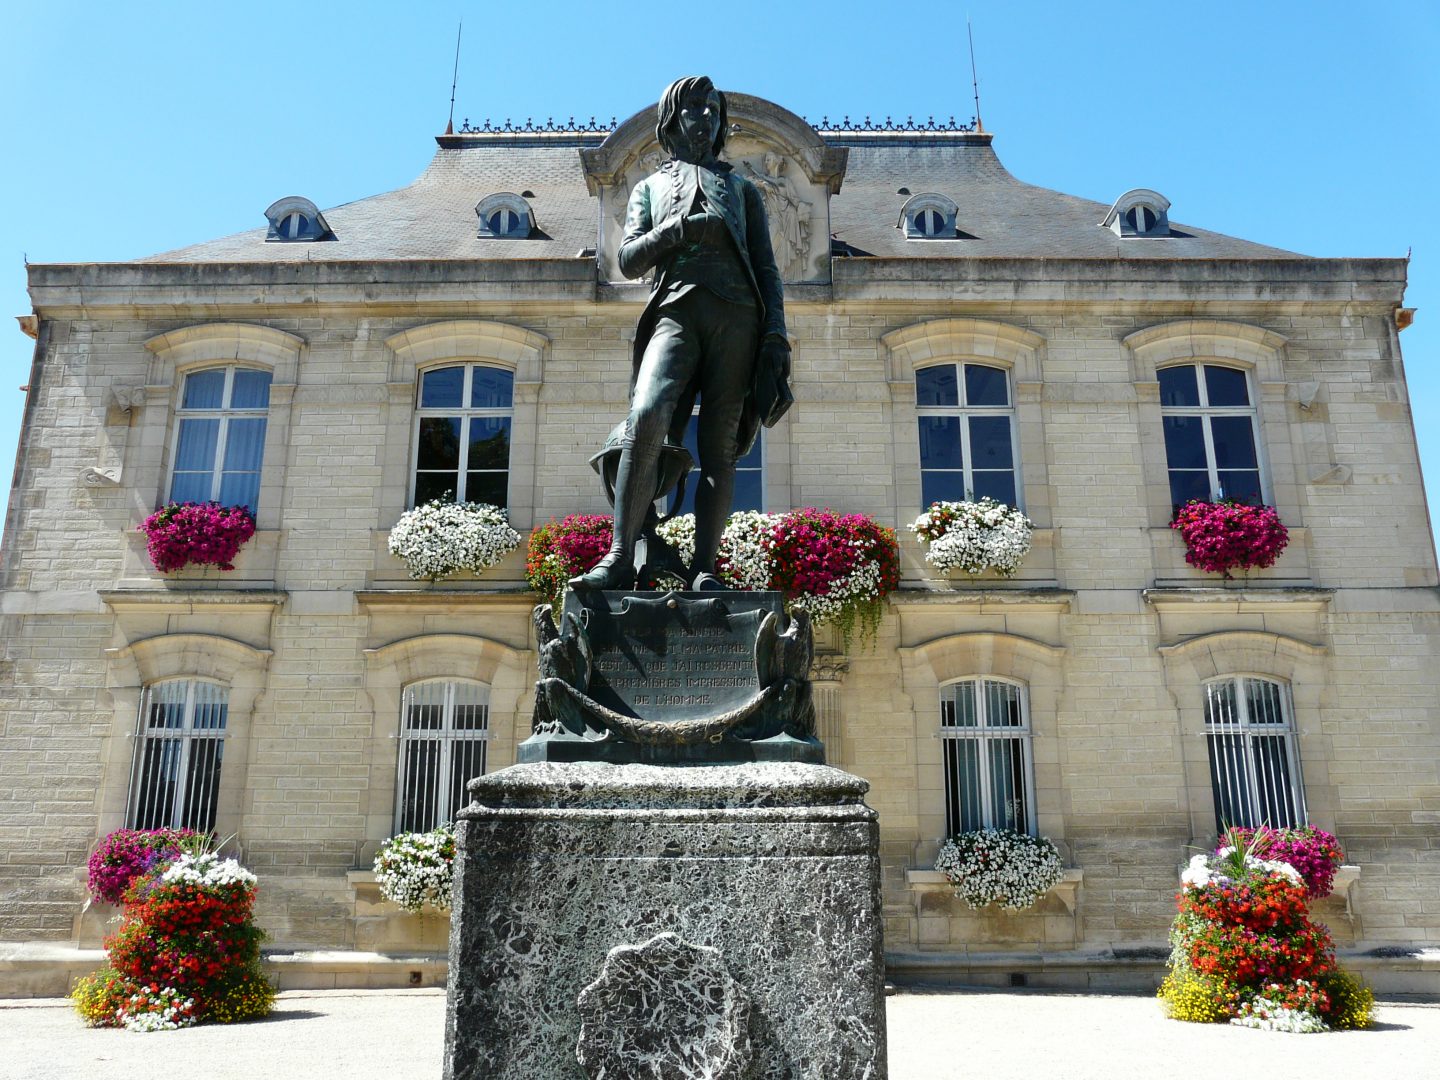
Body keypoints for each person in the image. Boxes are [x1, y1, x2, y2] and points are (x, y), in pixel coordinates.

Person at [572, 75, 791, 592]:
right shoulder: (649, 188)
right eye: (694, 108)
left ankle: (705, 569)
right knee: (646, 416)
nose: (706, 117)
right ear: (672, 121)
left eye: (712, 109)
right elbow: (627, 260)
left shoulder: (743, 190)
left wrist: (776, 334)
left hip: (739, 315)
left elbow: (767, 268)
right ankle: (622, 555)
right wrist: (680, 231)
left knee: (721, 446)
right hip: (676, 311)